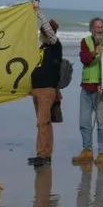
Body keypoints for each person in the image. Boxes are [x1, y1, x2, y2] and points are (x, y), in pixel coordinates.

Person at [75, 17, 103, 167]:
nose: (99, 29)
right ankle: (87, 150)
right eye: (96, 27)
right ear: (91, 28)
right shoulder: (85, 41)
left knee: (101, 122)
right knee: (84, 121)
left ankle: (101, 153)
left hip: (101, 88)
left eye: (101, 27)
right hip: (86, 87)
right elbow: (84, 59)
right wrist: (94, 52)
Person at [29, 20, 66, 167]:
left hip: (46, 90)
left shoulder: (56, 46)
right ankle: (46, 154)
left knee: (42, 122)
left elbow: (50, 32)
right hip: (36, 90)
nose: (42, 34)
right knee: (44, 123)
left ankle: (42, 155)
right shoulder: (42, 48)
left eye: (44, 32)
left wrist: (38, 12)